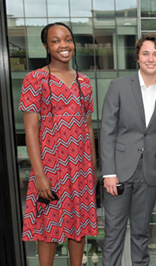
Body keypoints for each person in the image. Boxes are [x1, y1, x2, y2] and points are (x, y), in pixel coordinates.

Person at [19, 22, 98, 266]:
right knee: (47, 228)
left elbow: (87, 127)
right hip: (50, 166)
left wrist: (92, 168)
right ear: (46, 45)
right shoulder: (34, 79)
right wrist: (40, 174)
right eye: (55, 40)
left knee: (79, 226)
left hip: (80, 167)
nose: (63, 45)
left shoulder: (84, 82)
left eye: (67, 39)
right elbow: (30, 131)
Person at [100, 33, 156, 266]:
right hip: (119, 174)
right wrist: (108, 173)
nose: (150, 58)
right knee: (113, 233)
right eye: (145, 53)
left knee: (141, 233)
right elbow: (107, 131)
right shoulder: (118, 86)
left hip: (151, 173)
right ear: (137, 57)